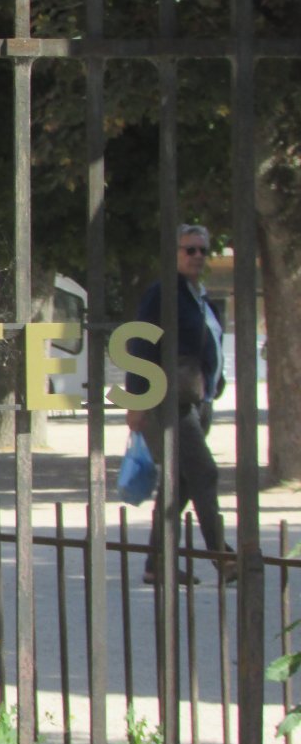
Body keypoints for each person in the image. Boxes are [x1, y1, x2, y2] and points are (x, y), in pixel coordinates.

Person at [124, 223, 232, 586]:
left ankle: (157, 562)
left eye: (202, 250)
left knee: (181, 484)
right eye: (190, 250)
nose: (197, 256)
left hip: (197, 400)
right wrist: (136, 401)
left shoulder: (196, 295)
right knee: (205, 473)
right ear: (174, 255)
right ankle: (223, 557)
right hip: (169, 401)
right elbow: (140, 345)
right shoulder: (162, 294)